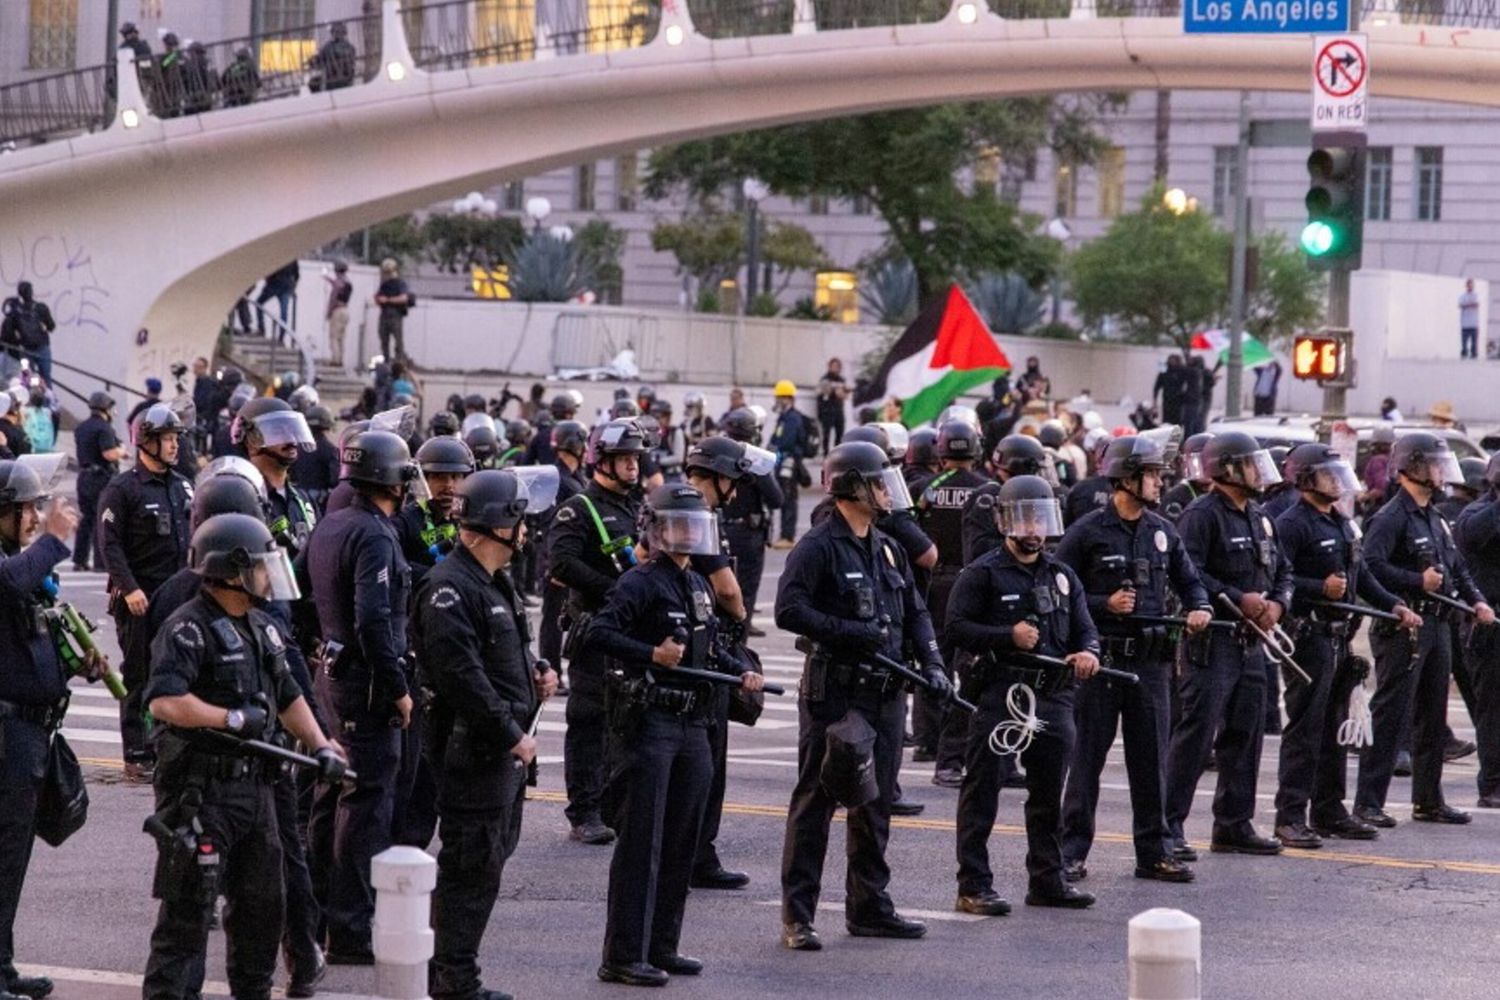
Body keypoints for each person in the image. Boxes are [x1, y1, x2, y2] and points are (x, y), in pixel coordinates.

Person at [141, 513, 346, 1000]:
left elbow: (289, 695)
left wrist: (321, 744)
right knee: (188, 916)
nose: (268, 576)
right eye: (260, 566)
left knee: (262, 909)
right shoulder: (188, 628)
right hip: (200, 793)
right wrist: (229, 718)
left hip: (256, 790)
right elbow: (164, 702)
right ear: (232, 570)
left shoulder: (262, 627)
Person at [776, 441, 948, 951]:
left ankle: (869, 907)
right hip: (836, 695)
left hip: (886, 695)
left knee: (875, 804)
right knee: (817, 801)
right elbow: (789, 610)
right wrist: (850, 632)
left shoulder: (887, 545)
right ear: (851, 487)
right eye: (878, 483)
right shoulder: (818, 546)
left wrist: (933, 664)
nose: (887, 492)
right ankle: (798, 916)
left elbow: (916, 612)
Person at [415, 470, 558, 1000]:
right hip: (472, 753)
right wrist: (509, 734)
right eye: (519, 521)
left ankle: (449, 972)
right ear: (498, 524)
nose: (525, 532)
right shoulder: (449, 587)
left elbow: (504, 652)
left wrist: (537, 671)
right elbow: (461, 677)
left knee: (487, 863)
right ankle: (454, 980)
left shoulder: (494, 581)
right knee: (470, 870)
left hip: (499, 755)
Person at [1055, 436, 1210, 883]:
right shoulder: (1087, 531)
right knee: (1087, 760)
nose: (1160, 482)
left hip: (1150, 664)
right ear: (1126, 479)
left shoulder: (1162, 530)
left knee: (1151, 762)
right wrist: (1103, 604)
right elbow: (1059, 590)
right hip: (1102, 662)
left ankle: (1154, 851)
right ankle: (1070, 851)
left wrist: (1200, 607)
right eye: (1152, 475)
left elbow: (1190, 581)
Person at [948, 474, 1101, 912]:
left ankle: (1047, 879)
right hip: (1003, 693)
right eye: (1024, 520)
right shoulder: (982, 573)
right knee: (983, 791)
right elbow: (955, 628)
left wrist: (1088, 653)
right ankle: (973, 884)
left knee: (1048, 794)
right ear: (1003, 521)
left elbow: (1086, 629)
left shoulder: (1062, 575)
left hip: (1053, 695)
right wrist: (1006, 636)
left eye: (1039, 519)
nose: (1033, 529)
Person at [302, 430, 420, 963]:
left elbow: (302, 596)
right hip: (366, 687)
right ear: (392, 480)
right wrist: (397, 689)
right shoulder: (374, 534)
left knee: (331, 797)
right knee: (366, 804)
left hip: (332, 677)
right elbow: (374, 620)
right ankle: (349, 930)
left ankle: (318, 913)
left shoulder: (331, 523)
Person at [1272, 444, 1419, 848]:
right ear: (1305, 479)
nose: (1337, 482)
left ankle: (1329, 809)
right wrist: (1318, 587)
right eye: (1328, 474)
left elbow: (1361, 575)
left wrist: (1393, 605)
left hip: (1339, 637)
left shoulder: (1341, 522)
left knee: (1335, 727)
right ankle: (1289, 816)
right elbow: (1278, 579)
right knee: (1306, 727)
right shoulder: (1292, 524)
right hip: (1309, 636)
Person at [1164, 430, 1292, 858]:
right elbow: (1187, 573)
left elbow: (1284, 570)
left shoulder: (1260, 516)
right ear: (1230, 469)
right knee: (1196, 737)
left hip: (1251, 642)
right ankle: (1168, 827)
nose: (1259, 473)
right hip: (1213, 640)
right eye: (1252, 464)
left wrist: (1278, 604)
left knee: (1246, 735)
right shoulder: (1201, 516)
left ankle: (1234, 823)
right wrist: (1238, 598)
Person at [1357, 433, 1494, 829]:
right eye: (1434, 464)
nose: (1440, 471)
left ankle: (1429, 800)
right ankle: (1368, 803)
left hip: (1438, 623)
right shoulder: (1390, 517)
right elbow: (1370, 567)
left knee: (1433, 717)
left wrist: (1476, 601)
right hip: (1404, 626)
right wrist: (1416, 582)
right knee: (1391, 716)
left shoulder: (1434, 516)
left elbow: (1457, 568)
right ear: (1410, 467)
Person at [0, 461, 87, 1000]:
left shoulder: (18, 565)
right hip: (6, 735)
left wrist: (75, 666)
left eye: (37, 508)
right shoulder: (12, 569)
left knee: (13, 858)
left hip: (30, 734)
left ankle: (3, 967)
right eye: (24, 508)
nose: (33, 517)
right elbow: (10, 583)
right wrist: (53, 540)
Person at [549, 419, 649, 845]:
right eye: (624, 458)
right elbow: (561, 564)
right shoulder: (579, 508)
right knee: (589, 721)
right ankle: (584, 811)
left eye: (635, 458)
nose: (632, 465)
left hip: (628, 632)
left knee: (624, 721)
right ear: (601, 461)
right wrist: (614, 589)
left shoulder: (635, 507)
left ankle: (612, 805)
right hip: (593, 628)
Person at [99, 404, 194, 782]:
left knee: (175, 672)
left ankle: (168, 746)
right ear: (147, 442)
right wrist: (129, 589)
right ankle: (137, 752)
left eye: (175, 439)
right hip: (140, 600)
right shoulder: (123, 489)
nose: (174, 445)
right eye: (167, 438)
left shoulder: (183, 485)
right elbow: (109, 545)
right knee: (138, 675)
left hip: (178, 599)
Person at [911, 420, 990, 787]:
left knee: (932, 659)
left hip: (934, 582)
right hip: (970, 582)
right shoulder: (986, 489)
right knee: (970, 667)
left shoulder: (926, 489)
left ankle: (927, 740)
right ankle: (960, 746)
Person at [1454, 454, 1500, 809]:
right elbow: (1472, 534)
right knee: (1493, 709)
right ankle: (1493, 784)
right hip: (1489, 626)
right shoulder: (1476, 514)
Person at [719, 409, 783, 638]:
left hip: (720, 529)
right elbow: (776, 499)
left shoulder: (718, 453)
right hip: (747, 533)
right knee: (744, 594)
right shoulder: (754, 459)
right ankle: (739, 643)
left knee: (720, 591)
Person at [535, 420, 587, 682]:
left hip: (570, 560)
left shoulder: (572, 478)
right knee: (554, 619)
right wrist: (552, 563)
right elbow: (550, 524)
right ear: (576, 445)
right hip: (557, 562)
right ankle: (551, 668)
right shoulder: (559, 481)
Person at [232, 398, 319, 557]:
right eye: (279, 432)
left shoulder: (303, 500)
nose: (292, 439)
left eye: (292, 429)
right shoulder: (239, 499)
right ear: (251, 443)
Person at [769, 380, 811, 550]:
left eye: (780, 397)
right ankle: (784, 535)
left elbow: (787, 441)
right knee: (785, 498)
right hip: (782, 461)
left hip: (790, 462)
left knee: (789, 499)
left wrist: (775, 448)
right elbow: (776, 437)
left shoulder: (793, 418)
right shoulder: (784, 417)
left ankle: (788, 536)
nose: (777, 401)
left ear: (788, 398)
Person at [0, 283, 55, 386]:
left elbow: (6, 334)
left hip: (25, 350)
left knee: (29, 379)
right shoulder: (41, 308)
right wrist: (45, 327)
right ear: (31, 292)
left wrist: (17, 341)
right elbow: (52, 326)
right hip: (42, 347)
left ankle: (34, 392)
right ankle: (46, 394)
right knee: (45, 377)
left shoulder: (15, 312)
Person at [291, 406, 341, 513]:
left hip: (298, 495)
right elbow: (335, 479)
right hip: (319, 500)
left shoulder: (296, 448)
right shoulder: (329, 449)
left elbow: (291, 473)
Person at [375, 259, 413, 362]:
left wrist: (388, 300)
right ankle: (386, 361)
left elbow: (404, 298)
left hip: (395, 314)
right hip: (384, 314)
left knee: (398, 340)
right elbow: (378, 297)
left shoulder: (400, 283)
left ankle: (399, 361)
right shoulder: (384, 285)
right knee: (384, 339)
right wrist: (379, 299)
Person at [256, 263, 301, 343]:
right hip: (286, 286)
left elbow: (269, 272)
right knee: (284, 313)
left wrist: (267, 282)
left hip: (274, 285)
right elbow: (297, 276)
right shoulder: (292, 259)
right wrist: (293, 289)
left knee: (259, 303)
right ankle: (281, 337)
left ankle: (262, 329)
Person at [310, 22, 358, 92]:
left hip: (334, 83)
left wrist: (314, 61)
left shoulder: (328, 47)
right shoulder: (350, 47)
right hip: (344, 82)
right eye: (336, 31)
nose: (337, 34)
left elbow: (319, 61)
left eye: (338, 32)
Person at [816, 358, 847, 455]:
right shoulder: (825, 379)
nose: (835, 368)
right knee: (826, 434)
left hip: (838, 410)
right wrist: (833, 390)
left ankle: (837, 453)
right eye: (833, 366)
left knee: (840, 432)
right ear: (829, 367)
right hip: (827, 410)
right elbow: (822, 393)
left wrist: (841, 393)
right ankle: (825, 453)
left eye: (837, 366)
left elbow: (844, 395)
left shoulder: (841, 380)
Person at [324, 262, 352, 367]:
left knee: (334, 336)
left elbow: (333, 298)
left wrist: (329, 312)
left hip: (337, 310)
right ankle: (340, 359)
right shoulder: (348, 282)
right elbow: (336, 283)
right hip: (345, 310)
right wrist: (328, 279)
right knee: (341, 336)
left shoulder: (338, 283)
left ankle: (335, 359)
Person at [180, 40, 219, 115]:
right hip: (207, 96)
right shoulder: (208, 63)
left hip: (195, 97)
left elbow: (186, 80)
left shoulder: (190, 65)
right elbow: (216, 80)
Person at [1459, 278, 1481, 359]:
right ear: (1466, 286)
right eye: (1468, 285)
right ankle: (1464, 355)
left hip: (1474, 324)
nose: (1470, 286)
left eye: (1471, 285)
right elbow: (1460, 305)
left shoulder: (1476, 295)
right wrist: (1470, 305)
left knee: (1474, 345)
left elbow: (1476, 305)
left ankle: (1474, 356)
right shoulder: (1463, 296)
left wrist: (1466, 305)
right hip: (1465, 324)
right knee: (1464, 344)